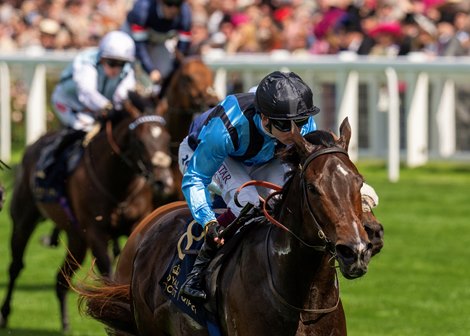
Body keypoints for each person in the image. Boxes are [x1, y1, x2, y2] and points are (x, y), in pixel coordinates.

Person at [178, 71, 321, 301]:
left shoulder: (297, 119)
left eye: (301, 122)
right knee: (249, 202)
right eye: (285, 125)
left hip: (261, 158)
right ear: (265, 119)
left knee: (281, 203)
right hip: (204, 155)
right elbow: (196, 177)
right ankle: (197, 271)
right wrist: (208, 221)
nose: (296, 132)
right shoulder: (227, 126)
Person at [38, 30, 136, 176]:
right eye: (112, 63)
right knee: (83, 127)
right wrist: (108, 107)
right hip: (68, 104)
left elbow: (124, 96)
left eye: (121, 64)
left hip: (96, 108)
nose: (116, 69)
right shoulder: (86, 62)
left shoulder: (127, 71)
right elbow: (87, 93)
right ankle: (46, 169)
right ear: (101, 58)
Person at [124, 0, 192, 96]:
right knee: (128, 65)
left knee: (165, 71)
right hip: (132, 37)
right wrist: (150, 69)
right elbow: (139, 46)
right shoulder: (143, 9)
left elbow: (182, 48)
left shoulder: (185, 12)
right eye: (169, 3)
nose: (173, 9)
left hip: (159, 40)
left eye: (178, 4)